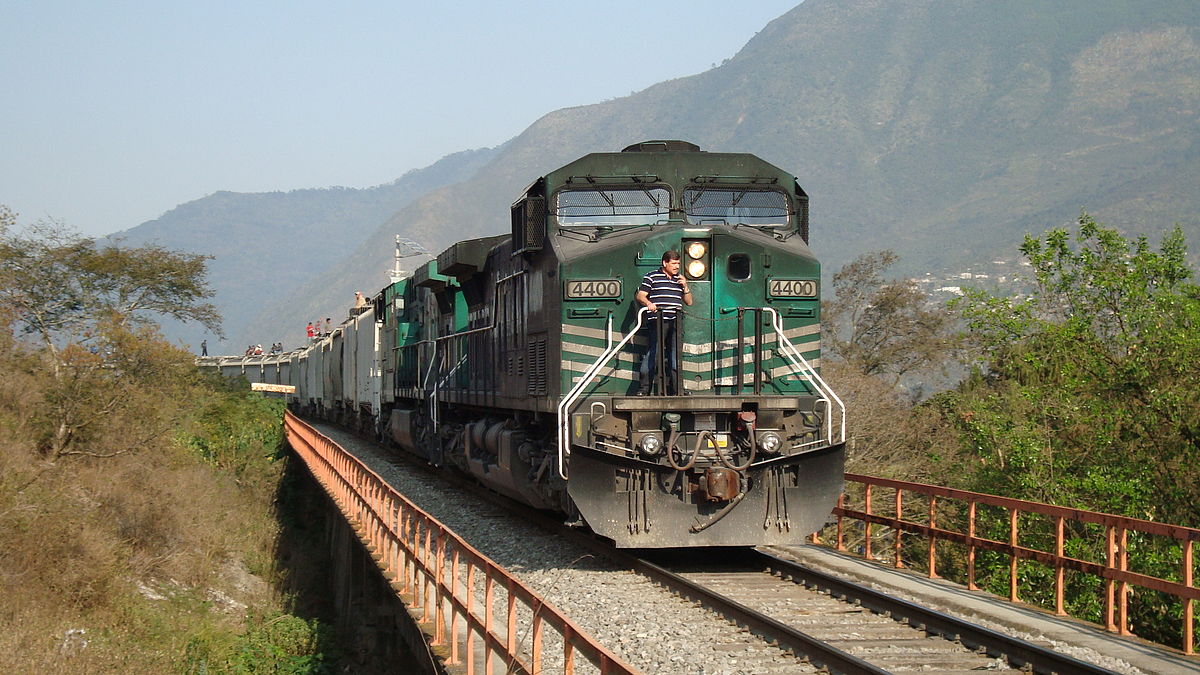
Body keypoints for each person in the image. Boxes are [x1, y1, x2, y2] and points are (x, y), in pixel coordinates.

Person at [635, 250, 692, 395]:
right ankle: (644, 389)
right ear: (664, 263)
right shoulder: (651, 276)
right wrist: (649, 303)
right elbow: (640, 295)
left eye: (678, 263)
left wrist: (685, 286)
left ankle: (678, 389)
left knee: (675, 356)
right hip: (657, 321)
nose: (676, 266)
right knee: (653, 354)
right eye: (673, 263)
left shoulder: (679, 279)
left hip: (676, 322)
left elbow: (689, 302)